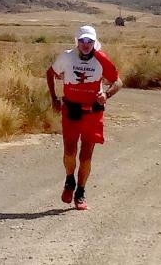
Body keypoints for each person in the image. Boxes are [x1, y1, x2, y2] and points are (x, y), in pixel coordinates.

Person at [46, 25, 122, 210]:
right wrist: (54, 98)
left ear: (94, 42)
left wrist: (107, 94)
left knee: (86, 156)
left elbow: (118, 81)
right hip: (71, 111)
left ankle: (80, 192)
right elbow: (50, 73)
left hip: (93, 114)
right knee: (69, 152)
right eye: (82, 41)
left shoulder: (101, 59)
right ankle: (69, 180)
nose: (86, 45)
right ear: (77, 41)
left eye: (89, 41)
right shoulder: (67, 57)